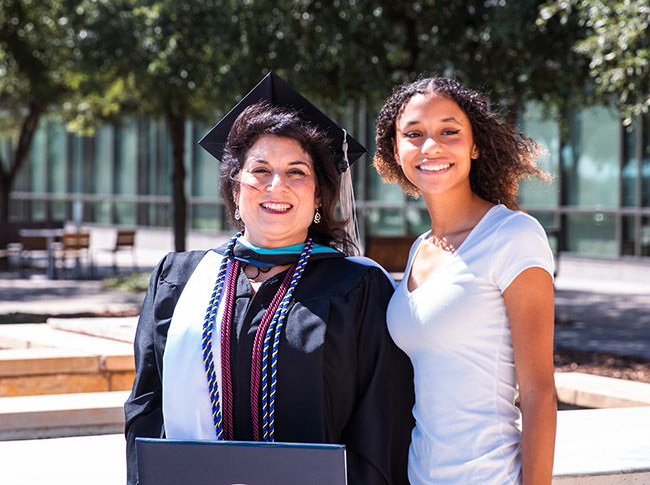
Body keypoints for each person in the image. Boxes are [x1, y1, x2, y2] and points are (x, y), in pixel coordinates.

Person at [124, 72, 415, 485]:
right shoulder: (179, 280)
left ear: (319, 196)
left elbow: (381, 425)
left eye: (297, 171)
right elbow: (146, 408)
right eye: (260, 169)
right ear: (235, 189)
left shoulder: (358, 288)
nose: (276, 185)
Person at [374, 76, 556, 484]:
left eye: (449, 132)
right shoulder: (420, 247)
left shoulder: (513, 236)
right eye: (414, 134)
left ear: (474, 145)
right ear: (396, 149)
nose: (431, 146)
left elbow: (538, 392)